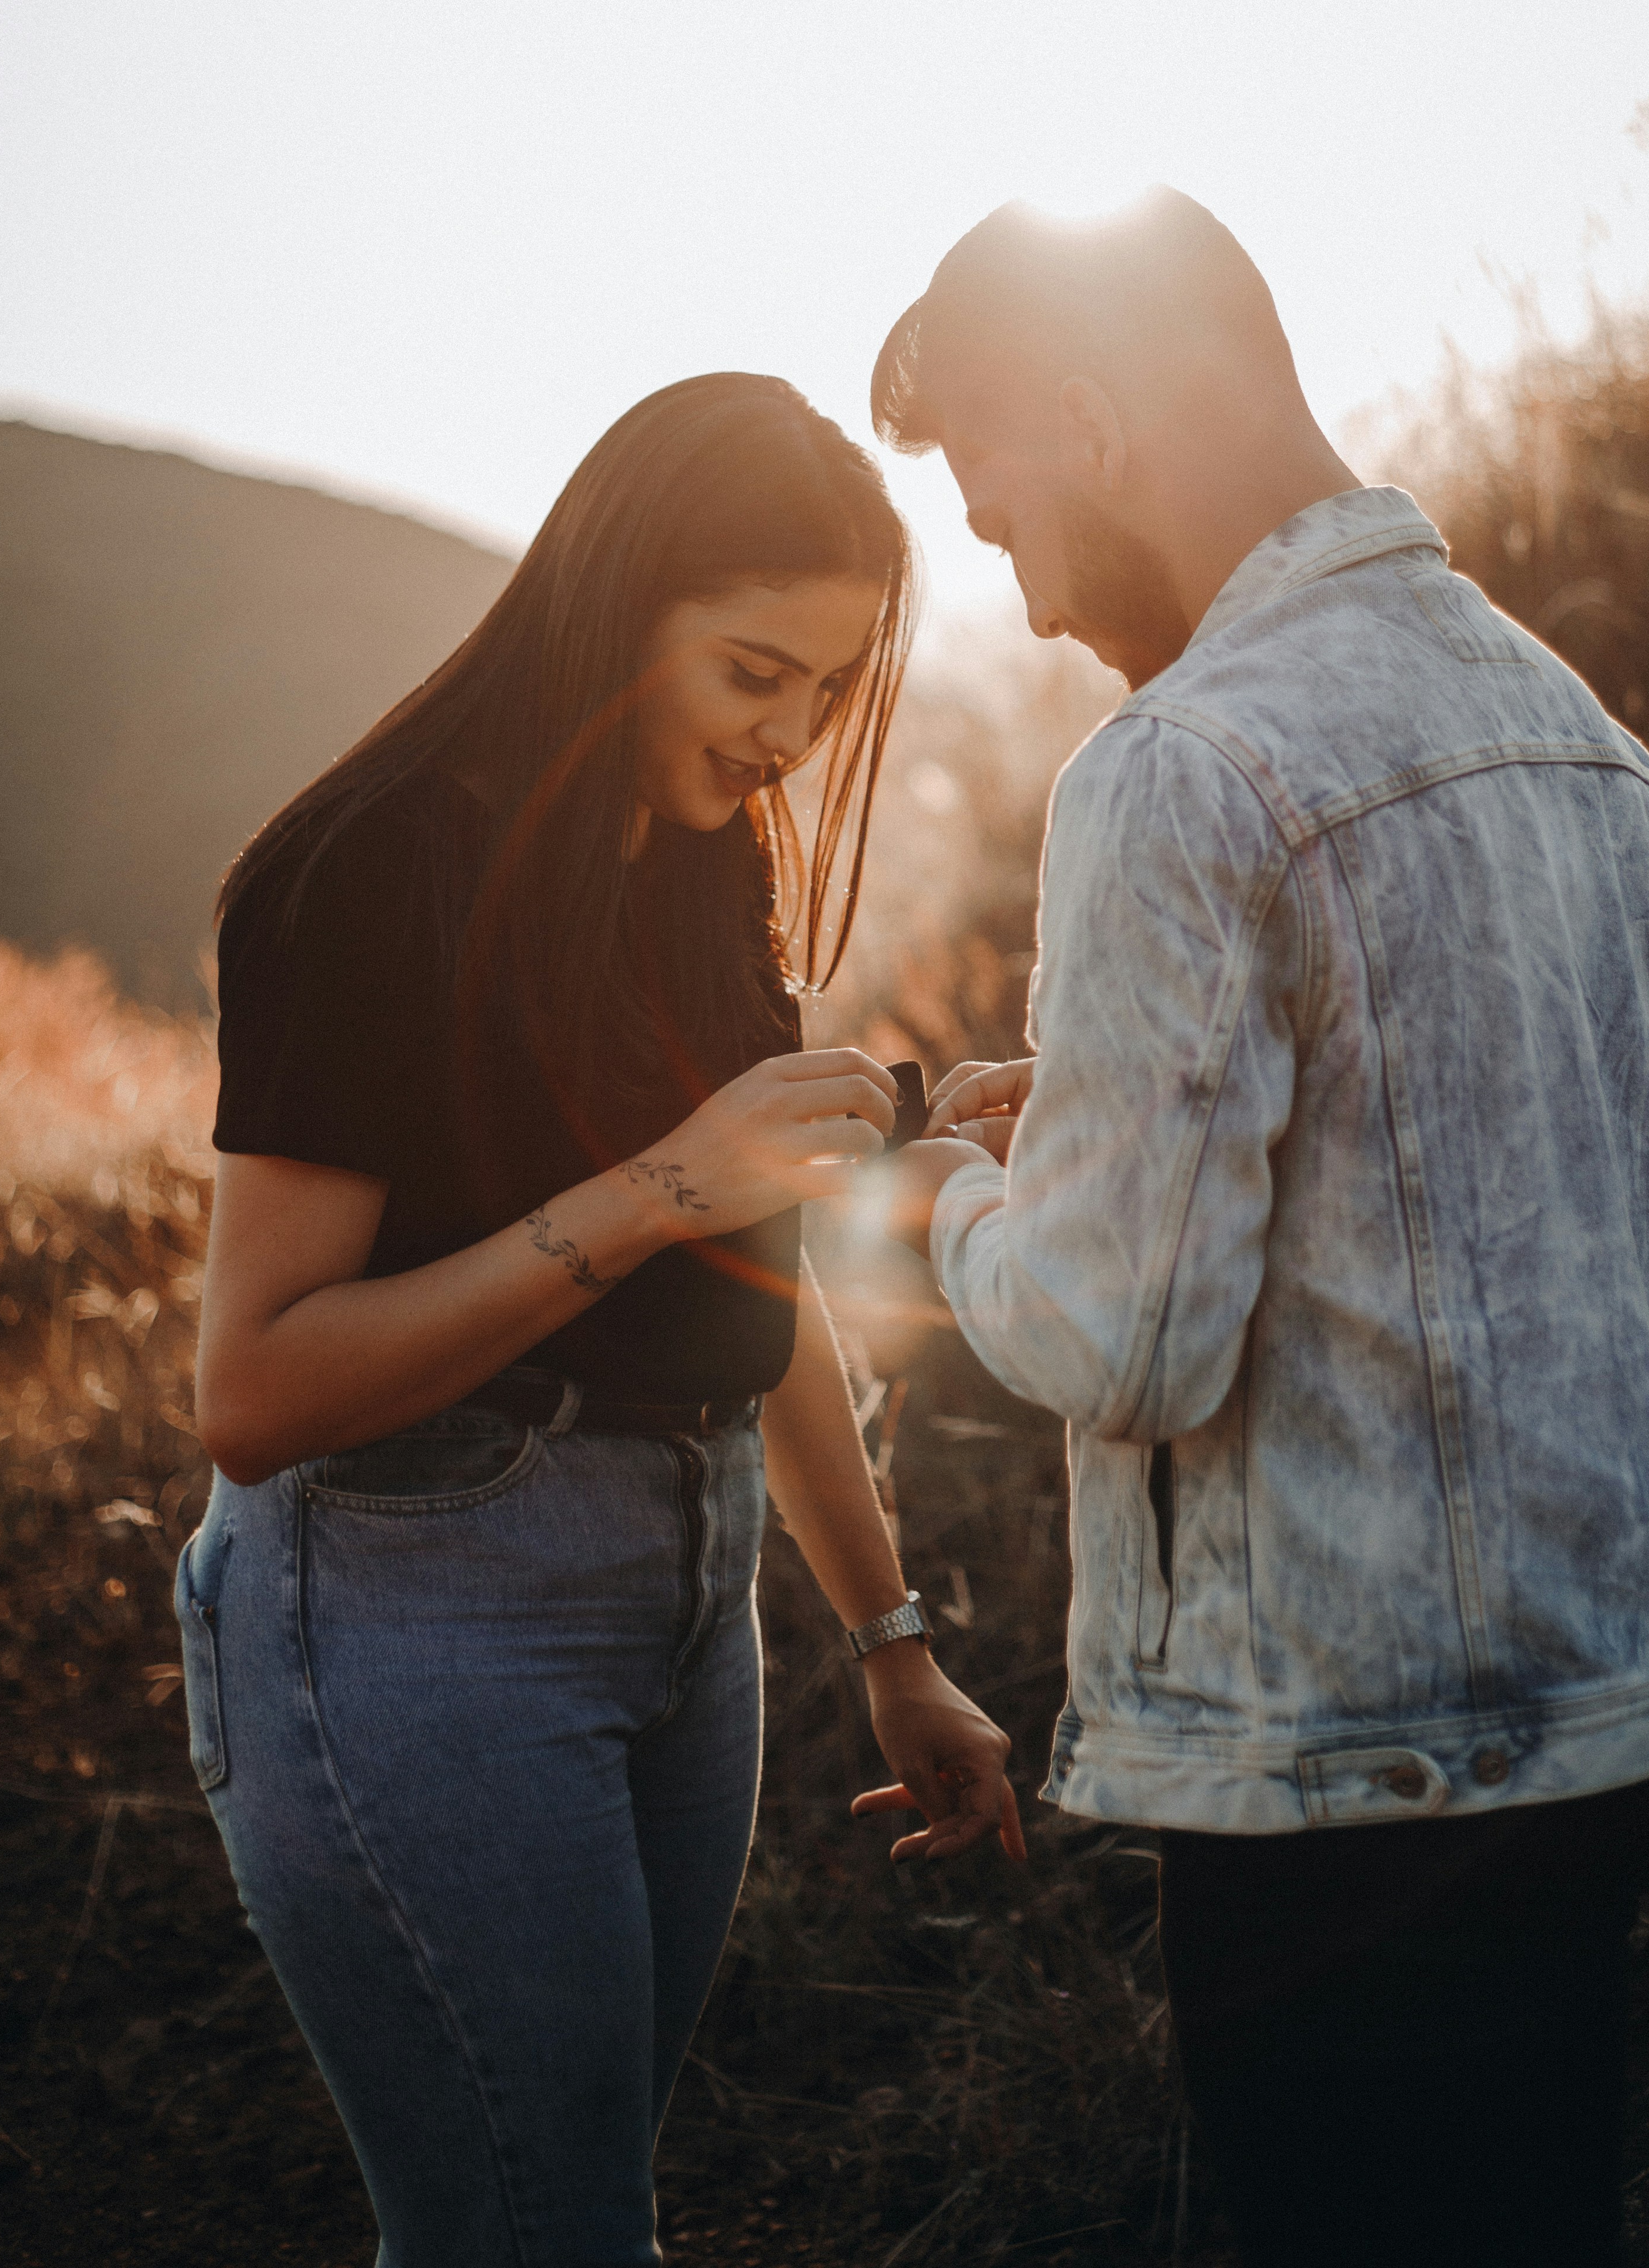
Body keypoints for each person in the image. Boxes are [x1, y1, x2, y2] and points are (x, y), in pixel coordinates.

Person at [871, 197, 1649, 2268]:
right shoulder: (1588, 740)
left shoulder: (1173, 774)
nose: (1037, 599)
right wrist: (1094, 1135)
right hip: (1626, 1714)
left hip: (1355, 1777)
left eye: (1005, 526)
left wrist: (954, 1201)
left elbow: (1122, 1335)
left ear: (1085, 420)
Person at [182, 373, 1022, 2268]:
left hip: (684, 1602)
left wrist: (891, 1645)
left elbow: (756, 1286)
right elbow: (254, 1388)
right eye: (751, 674)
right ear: (610, 604)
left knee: (570, 2210)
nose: (789, 741)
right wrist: (662, 1186)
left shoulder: (698, 863)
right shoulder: (363, 875)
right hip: (414, 1610)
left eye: (827, 690)